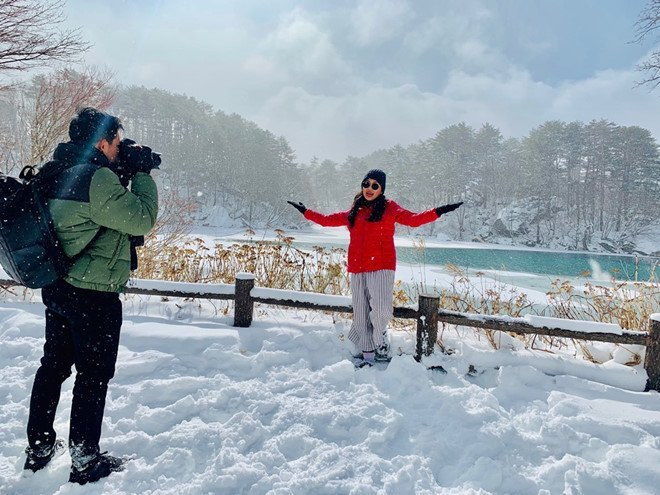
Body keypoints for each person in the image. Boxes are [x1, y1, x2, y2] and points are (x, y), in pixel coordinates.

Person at [23, 107, 159, 484]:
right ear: (102, 142)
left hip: (58, 286)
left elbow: (89, 215)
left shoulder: (57, 169)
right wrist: (144, 173)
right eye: (116, 141)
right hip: (93, 295)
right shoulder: (97, 177)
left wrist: (123, 171)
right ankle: (84, 459)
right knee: (93, 375)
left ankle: (39, 446)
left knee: (53, 366)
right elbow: (142, 218)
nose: (120, 148)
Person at [288, 169, 462, 368]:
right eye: (366, 184)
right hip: (357, 268)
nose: (369, 189)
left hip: (381, 266)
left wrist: (439, 210)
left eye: (374, 185)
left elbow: (413, 220)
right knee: (361, 313)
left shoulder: (389, 209)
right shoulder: (355, 210)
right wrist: (305, 211)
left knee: (380, 310)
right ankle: (368, 356)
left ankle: (380, 341)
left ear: (382, 189)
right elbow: (327, 220)